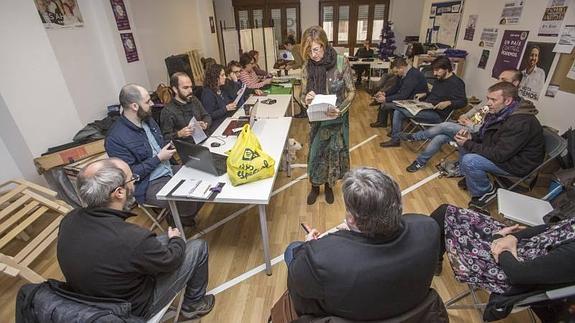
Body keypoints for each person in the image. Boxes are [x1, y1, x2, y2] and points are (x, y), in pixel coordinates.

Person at [57, 158, 214, 319]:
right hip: (129, 309)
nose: (134, 184)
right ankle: (193, 304)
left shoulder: (69, 219)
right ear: (119, 192)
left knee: (162, 241)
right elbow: (172, 260)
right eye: (132, 179)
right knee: (197, 246)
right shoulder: (132, 238)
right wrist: (177, 240)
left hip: (90, 301)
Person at [283, 167, 441, 321]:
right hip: (410, 311)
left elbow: (299, 287)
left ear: (351, 219)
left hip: (349, 315)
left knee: (292, 249)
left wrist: (309, 247)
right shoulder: (428, 227)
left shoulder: (319, 258)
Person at [430, 204, 575, 322]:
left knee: (445, 217)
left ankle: (421, 269)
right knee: (446, 211)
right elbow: (550, 228)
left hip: (507, 270)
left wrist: (499, 239)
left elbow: (519, 274)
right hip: (515, 248)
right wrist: (513, 237)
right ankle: (432, 262)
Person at [105, 84, 202, 226]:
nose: (152, 103)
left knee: (203, 176)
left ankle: (180, 217)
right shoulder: (115, 138)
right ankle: (179, 219)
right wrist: (158, 158)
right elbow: (129, 175)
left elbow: (159, 143)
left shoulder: (147, 120)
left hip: (167, 168)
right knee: (186, 195)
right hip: (147, 183)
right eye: (147, 101)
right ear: (134, 106)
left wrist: (170, 145)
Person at [402, 69, 523, 172]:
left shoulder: (513, 110)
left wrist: (471, 125)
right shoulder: (496, 97)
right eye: (499, 78)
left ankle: (415, 136)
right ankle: (420, 162)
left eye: (504, 80)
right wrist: (465, 116)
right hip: (473, 130)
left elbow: (491, 134)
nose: (499, 82)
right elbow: (478, 109)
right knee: (441, 137)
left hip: (479, 135)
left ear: (515, 83)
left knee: (446, 126)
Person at [453, 81, 545, 209]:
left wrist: (469, 143)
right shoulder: (502, 114)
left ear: (507, 101)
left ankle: (485, 193)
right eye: (488, 99)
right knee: (464, 144)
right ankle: (472, 178)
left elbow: (499, 155)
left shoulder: (520, 122)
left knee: (470, 160)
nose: (488, 103)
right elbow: (490, 138)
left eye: (493, 100)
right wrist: (471, 137)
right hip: (505, 155)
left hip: (518, 165)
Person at [300, 26, 355, 205]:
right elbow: (302, 96)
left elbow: (351, 92)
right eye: (308, 51)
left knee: (333, 154)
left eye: (316, 49)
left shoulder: (341, 62)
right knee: (315, 155)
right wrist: (306, 99)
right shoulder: (307, 67)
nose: (313, 55)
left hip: (337, 118)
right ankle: (315, 187)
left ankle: (329, 187)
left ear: (324, 45)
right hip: (317, 121)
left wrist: (341, 109)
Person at [380, 56, 467, 148]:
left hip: (438, 115)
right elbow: (435, 95)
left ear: (447, 69)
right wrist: (425, 94)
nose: (434, 73)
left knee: (401, 109)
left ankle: (393, 105)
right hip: (427, 107)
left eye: (437, 70)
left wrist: (449, 103)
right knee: (398, 112)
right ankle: (395, 140)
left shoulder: (457, 83)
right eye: (434, 70)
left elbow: (463, 101)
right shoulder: (439, 80)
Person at [369, 57, 428, 129]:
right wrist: (384, 93)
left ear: (401, 68)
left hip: (416, 99)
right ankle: (381, 122)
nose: (395, 74)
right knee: (386, 99)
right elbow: (396, 87)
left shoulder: (413, 75)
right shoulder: (403, 73)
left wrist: (386, 99)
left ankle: (395, 129)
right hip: (408, 95)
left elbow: (403, 95)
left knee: (389, 104)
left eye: (396, 72)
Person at [160, 72, 212, 141]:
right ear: (175, 89)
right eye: (185, 88)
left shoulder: (194, 99)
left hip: (205, 139)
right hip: (188, 147)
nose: (190, 91)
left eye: (191, 87)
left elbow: (206, 116)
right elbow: (165, 138)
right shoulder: (168, 111)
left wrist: (205, 124)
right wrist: (179, 134)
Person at [201, 64, 237, 132]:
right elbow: (209, 115)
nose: (225, 77)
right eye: (222, 75)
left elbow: (231, 98)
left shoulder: (221, 88)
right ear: (215, 77)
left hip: (227, 120)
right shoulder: (208, 94)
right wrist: (226, 108)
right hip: (218, 127)